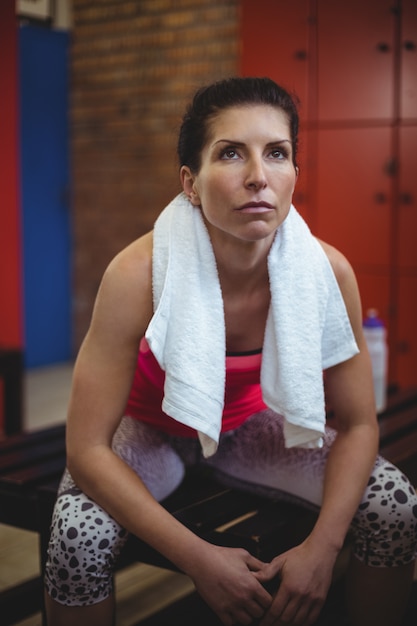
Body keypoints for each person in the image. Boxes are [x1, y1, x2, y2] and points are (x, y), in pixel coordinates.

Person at [44, 76, 417, 626]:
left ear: (294, 174)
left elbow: (360, 424)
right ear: (190, 182)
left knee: (396, 503)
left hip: (249, 430)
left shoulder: (326, 272)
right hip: (151, 434)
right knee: (77, 535)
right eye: (231, 153)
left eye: (277, 153)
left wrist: (321, 549)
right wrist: (200, 559)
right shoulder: (137, 274)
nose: (257, 177)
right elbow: (87, 449)